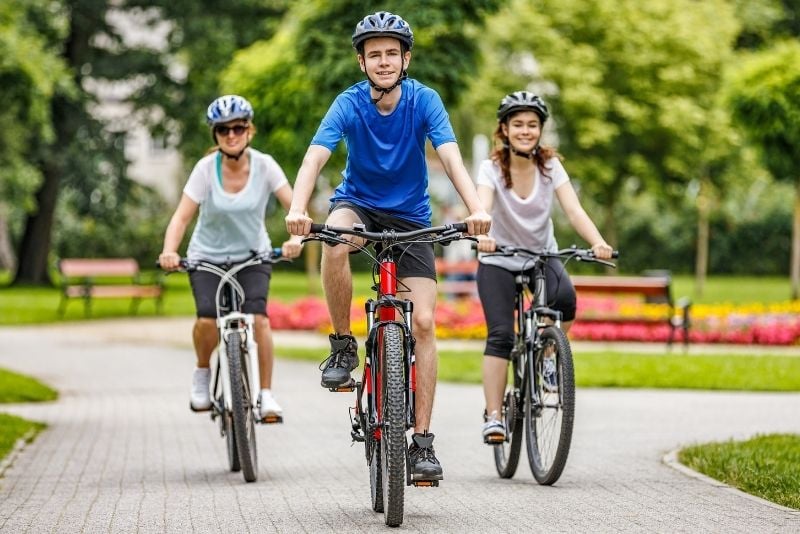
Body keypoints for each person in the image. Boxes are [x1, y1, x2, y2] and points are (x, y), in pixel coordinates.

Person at [285, 11, 491, 482]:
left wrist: (476, 208)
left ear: (405, 59)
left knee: (421, 322)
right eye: (373, 53)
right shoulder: (348, 103)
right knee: (334, 241)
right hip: (357, 205)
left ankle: (421, 442)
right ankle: (342, 347)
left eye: (391, 53)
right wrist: (299, 211)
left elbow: (452, 159)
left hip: (413, 218)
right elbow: (314, 157)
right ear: (361, 61)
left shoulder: (424, 100)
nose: (383, 61)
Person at [475, 91, 613, 441]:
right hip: (498, 257)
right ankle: (494, 415)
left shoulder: (550, 167)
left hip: (540, 255)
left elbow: (574, 210)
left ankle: (549, 356)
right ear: (504, 129)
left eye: (532, 125)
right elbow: (483, 207)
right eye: (518, 124)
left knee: (565, 299)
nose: (525, 131)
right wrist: (482, 236)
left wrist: (597, 242)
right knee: (502, 336)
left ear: (540, 130)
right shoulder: (490, 168)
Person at [159, 95, 303, 421]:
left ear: (249, 130)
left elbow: (294, 207)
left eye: (238, 128)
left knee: (260, 319)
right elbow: (181, 217)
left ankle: (265, 395)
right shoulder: (205, 170)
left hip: (253, 255)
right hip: (207, 257)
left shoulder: (265, 165)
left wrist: (295, 238)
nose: (232, 135)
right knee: (207, 319)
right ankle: (201, 372)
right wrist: (170, 251)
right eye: (224, 130)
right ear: (216, 135)